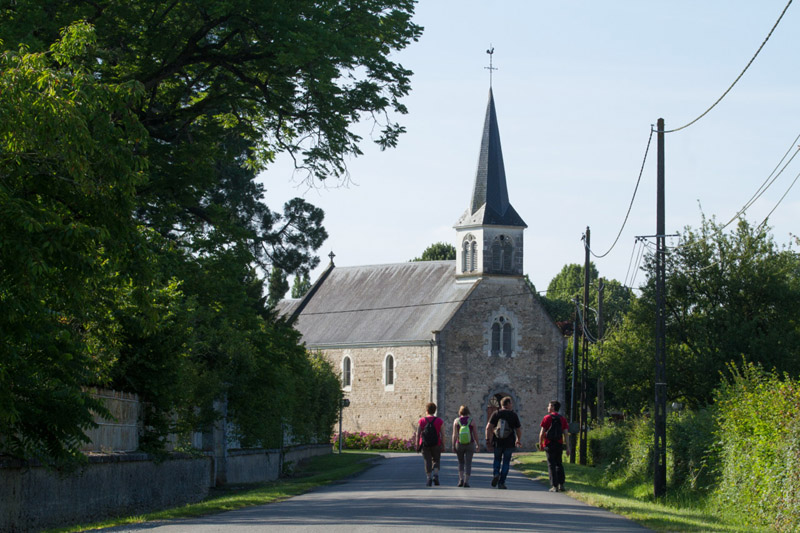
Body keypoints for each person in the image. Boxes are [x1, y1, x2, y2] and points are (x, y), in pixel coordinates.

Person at [485, 396, 522, 489]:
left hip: (497, 442)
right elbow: (518, 429)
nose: (512, 405)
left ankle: (496, 473)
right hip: (509, 442)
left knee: (497, 459)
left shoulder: (496, 413)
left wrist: (487, 440)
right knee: (506, 462)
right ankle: (501, 482)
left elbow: (488, 427)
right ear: (508, 404)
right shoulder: (513, 415)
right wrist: (518, 439)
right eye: (511, 403)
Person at [538, 400, 570, 492]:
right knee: (559, 463)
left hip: (549, 443)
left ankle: (554, 486)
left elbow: (542, 433)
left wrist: (540, 443)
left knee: (551, 464)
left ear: (552, 407)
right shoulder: (562, 419)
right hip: (559, 443)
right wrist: (568, 447)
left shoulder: (547, 418)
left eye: (549, 406)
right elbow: (566, 434)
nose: (548, 407)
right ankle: (561, 484)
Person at [416, 402, 445, 486]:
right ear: (435, 411)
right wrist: (443, 444)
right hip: (436, 443)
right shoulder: (439, 421)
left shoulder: (421, 421)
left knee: (427, 461)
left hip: (425, 444)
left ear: (427, 411)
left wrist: (417, 445)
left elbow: (418, 434)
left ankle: (428, 478)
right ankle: (435, 475)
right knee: (436, 460)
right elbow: (443, 434)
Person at [451, 405, 480, 487]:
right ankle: (466, 481)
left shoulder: (456, 421)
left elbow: (454, 434)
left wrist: (453, 445)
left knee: (460, 462)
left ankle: (460, 480)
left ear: (460, 412)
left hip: (459, 443)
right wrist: (477, 444)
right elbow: (475, 434)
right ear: (468, 412)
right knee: (468, 463)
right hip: (470, 444)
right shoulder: (471, 421)